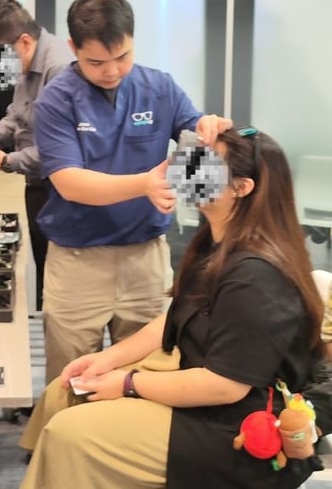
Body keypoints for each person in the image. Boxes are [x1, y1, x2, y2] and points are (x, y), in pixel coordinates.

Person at [19, 127, 325, 488]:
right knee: (65, 388)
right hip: (203, 385)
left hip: (234, 424)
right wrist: (108, 359)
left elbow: (225, 387)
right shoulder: (215, 245)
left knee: (69, 433)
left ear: (242, 188)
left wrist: (129, 383)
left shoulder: (255, 276)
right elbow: (173, 318)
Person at [33, 0, 232, 383]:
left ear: (133, 41)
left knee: (147, 373)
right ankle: (62, 443)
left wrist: (208, 128)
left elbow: (194, 131)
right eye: (96, 62)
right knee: (71, 376)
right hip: (78, 262)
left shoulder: (159, 88)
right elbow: (70, 183)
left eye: (122, 57)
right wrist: (144, 184)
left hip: (146, 258)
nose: (112, 71)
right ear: (73, 48)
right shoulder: (56, 100)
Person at [0, 0, 72, 312]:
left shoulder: (58, 68)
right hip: (37, 183)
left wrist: (5, 161)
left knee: (58, 281)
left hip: (59, 189)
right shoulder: (26, 60)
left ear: (23, 41)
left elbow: (58, 151)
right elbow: (15, 117)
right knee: (43, 264)